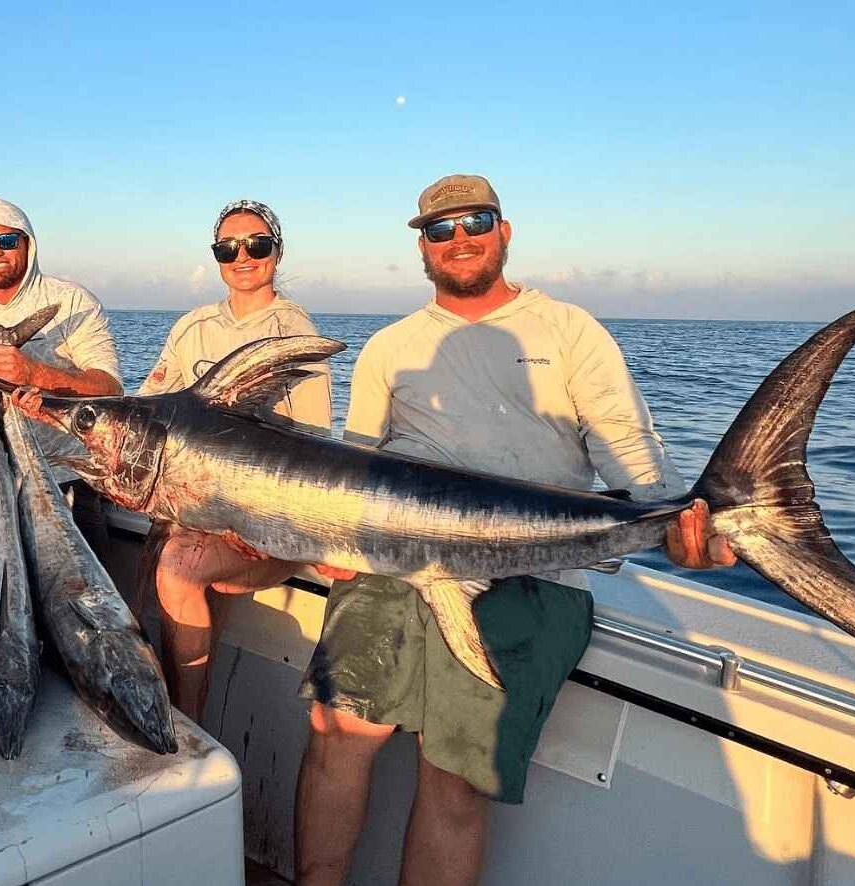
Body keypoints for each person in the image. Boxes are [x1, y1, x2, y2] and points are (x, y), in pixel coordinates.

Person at [293, 174, 736, 885]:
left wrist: (685, 528)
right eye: (440, 230)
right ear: (422, 247)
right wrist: (329, 544)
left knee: (454, 778)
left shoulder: (569, 331)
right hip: (396, 566)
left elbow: (632, 458)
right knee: (336, 734)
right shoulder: (389, 347)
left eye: (475, 222)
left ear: (503, 230)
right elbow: (359, 474)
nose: (459, 240)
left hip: (532, 577)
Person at [139, 199, 333, 722]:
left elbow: (312, 450)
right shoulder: (193, 327)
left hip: (268, 519)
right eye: (228, 248)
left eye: (257, 245)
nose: (242, 256)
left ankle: (187, 725)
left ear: (277, 251)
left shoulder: (295, 330)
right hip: (197, 509)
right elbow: (148, 412)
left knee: (177, 571)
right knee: (155, 573)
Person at [0, 197, 122, 554]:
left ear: (28, 244)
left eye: (8, 240)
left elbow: (111, 389)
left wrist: (35, 372)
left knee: (82, 601)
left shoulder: (73, 302)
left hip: (68, 480)